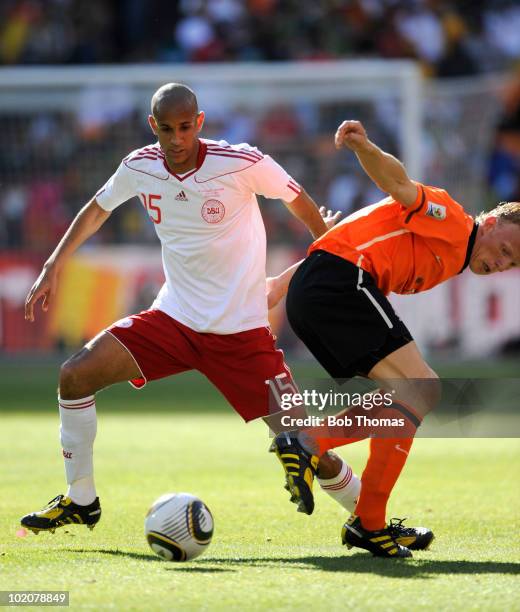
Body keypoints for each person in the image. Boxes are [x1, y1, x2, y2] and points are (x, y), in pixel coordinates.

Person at [20, 83, 362, 534]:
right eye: (167, 129)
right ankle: (81, 500)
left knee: (308, 446)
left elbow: (296, 199)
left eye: (185, 127)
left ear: (199, 123)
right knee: (74, 375)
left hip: (242, 336)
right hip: (174, 321)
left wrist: (326, 247)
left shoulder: (241, 162)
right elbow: (97, 209)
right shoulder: (139, 166)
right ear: (152, 126)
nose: (177, 138)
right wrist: (53, 263)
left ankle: (369, 518)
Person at [268, 119, 520, 558]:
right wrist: (365, 148)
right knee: (421, 388)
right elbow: (400, 184)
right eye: (503, 249)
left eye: (509, 264)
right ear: (493, 221)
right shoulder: (456, 224)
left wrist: (285, 286)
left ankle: (368, 519)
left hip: (320, 292)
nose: (499, 264)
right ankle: (312, 445)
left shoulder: (451, 255)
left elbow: (343, 244)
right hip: (339, 284)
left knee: (409, 395)